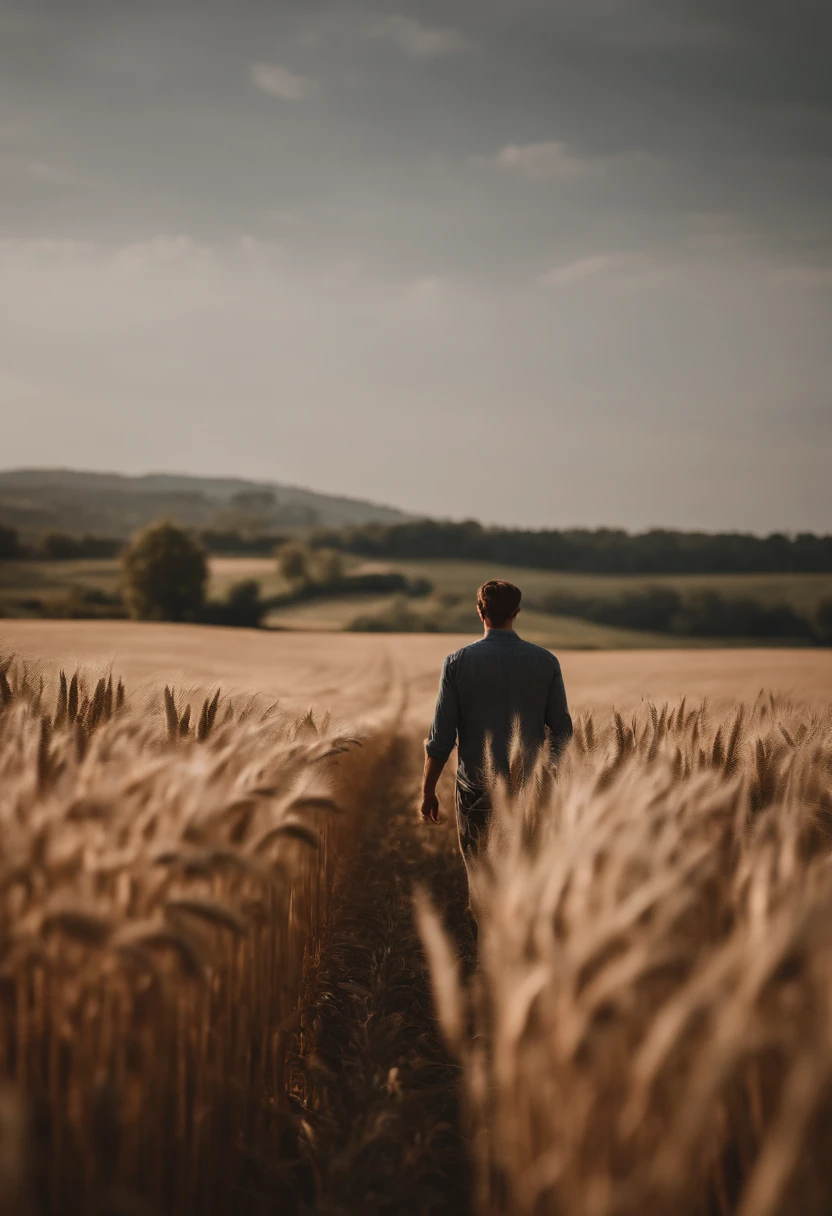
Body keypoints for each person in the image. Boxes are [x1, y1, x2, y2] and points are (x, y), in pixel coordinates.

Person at [419, 579, 573, 866]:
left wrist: (428, 792)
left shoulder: (457, 662)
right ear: (516, 612)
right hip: (531, 790)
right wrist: (554, 784)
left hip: (476, 792)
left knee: (482, 878)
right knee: (527, 874)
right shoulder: (546, 661)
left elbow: (440, 739)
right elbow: (562, 731)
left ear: (480, 611)